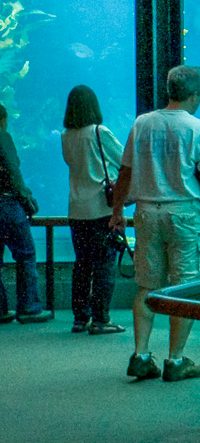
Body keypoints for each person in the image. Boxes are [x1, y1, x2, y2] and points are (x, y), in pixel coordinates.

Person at [111, 64, 200, 382]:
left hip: (146, 212)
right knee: (183, 288)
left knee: (148, 286)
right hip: (185, 212)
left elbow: (125, 172)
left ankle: (141, 354)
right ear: (195, 94)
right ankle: (175, 360)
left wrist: (118, 211)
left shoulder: (142, 123)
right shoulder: (199, 128)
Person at [60, 86, 124, 335]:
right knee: (104, 264)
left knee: (82, 264)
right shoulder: (99, 132)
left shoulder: (66, 135)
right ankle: (101, 318)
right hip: (100, 208)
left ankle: (80, 318)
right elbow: (123, 159)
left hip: (76, 209)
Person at [0, 105, 48, 324]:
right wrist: (27, 199)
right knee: (26, 254)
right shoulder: (2, 137)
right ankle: (29, 307)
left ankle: (1, 309)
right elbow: (13, 171)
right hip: (6, 203)